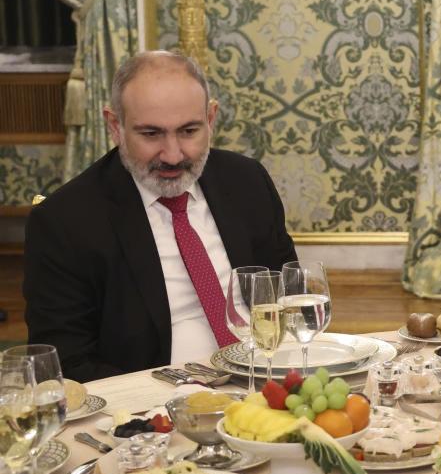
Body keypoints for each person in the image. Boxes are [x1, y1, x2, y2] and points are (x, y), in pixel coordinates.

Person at [24, 51, 298, 382]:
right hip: (155, 407)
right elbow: (66, 363)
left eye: (189, 131)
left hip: (266, 381)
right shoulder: (65, 221)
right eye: (151, 134)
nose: (172, 155)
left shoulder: (247, 181)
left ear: (210, 119)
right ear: (116, 126)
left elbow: (288, 298)